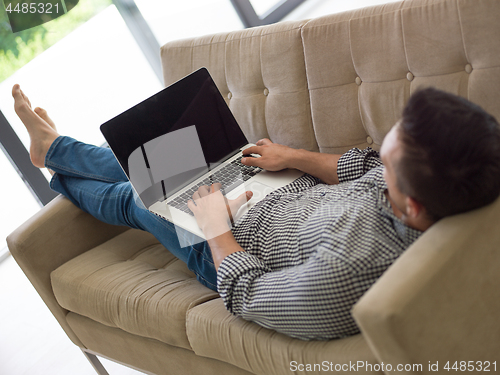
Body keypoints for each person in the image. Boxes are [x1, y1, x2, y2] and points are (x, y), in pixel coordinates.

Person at [12, 84, 500, 341]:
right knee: (172, 165)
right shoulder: (446, 182)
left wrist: (216, 230)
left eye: (392, 159)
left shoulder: (352, 271)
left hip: (231, 244)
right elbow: (365, 168)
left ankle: (55, 164)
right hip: (278, 191)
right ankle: (54, 149)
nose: (381, 160)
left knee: (141, 198)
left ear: (411, 206)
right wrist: (294, 159)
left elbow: (249, 295)